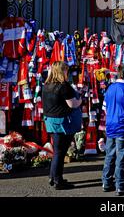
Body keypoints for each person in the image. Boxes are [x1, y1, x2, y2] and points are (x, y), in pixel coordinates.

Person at [42, 61, 82, 190]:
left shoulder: (46, 85)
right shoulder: (63, 86)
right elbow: (72, 104)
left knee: (57, 151)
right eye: (66, 70)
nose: (67, 73)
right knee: (60, 152)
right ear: (61, 71)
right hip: (62, 122)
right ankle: (58, 181)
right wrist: (80, 100)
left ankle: (53, 177)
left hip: (50, 121)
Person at [101, 64, 124, 196]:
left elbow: (105, 108)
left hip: (110, 125)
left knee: (109, 155)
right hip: (123, 126)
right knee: (122, 156)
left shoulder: (110, 88)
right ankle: (121, 185)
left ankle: (106, 182)